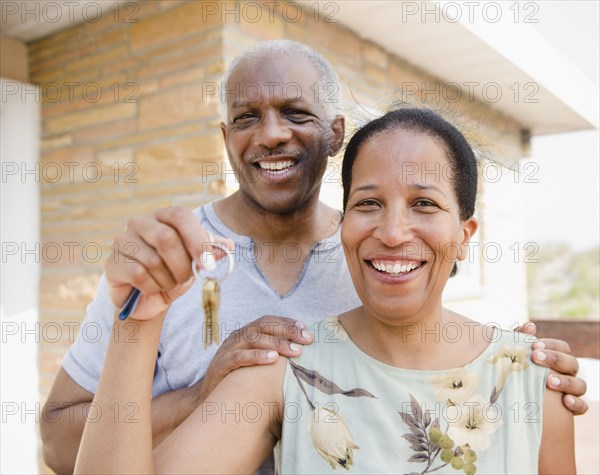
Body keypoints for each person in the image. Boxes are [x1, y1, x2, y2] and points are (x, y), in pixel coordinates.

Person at [42, 41, 585, 473]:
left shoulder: (524, 381)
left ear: (334, 135)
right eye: (248, 117)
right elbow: (59, 441)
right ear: (226, 137)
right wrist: (191, 383)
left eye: (295, 112)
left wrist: (517, 359)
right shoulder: (175, 272)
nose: (393, 233)